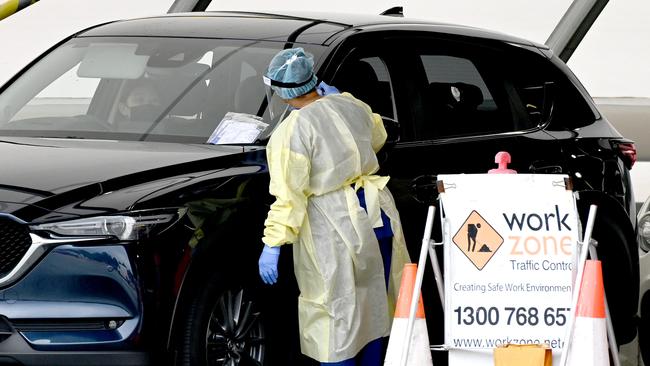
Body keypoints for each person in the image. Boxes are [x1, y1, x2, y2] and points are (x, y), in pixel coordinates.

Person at [257, 47, 410, 366]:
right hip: (376, 217)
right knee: (375, 306)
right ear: (313, 80)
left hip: (333, 226)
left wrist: (273, 243)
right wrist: (341, 101)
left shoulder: (291, 131)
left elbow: (289, 196)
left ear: (280, 90)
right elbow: (377, 136)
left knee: (333, 311)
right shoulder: (350, 104)